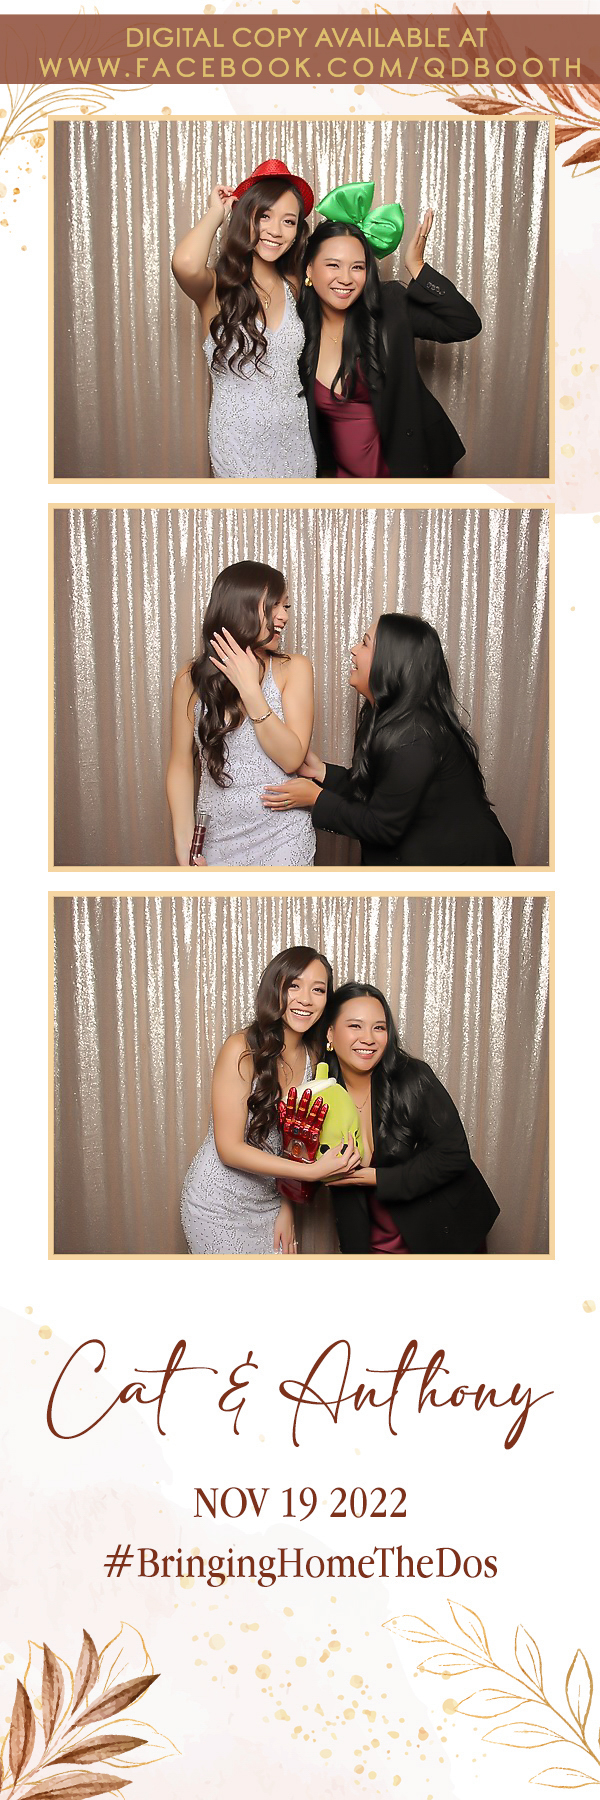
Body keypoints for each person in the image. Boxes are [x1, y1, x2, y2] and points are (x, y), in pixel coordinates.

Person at [263, 613, 514, 867]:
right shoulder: (385, 716)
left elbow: (381, 825)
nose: (353, 650)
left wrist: (317, 798)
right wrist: (322, 772)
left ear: (391, 662)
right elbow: (381, 793)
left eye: (365, 643)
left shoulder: (414, 735)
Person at [180, 948, 361, 1255]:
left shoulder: (314, 1057)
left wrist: (286, 1206)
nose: (306, 999)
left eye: (318, 990)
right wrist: (312, 1173)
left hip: (270, 1201)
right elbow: (229, 1149)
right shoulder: (241, 1048)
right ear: (275, 989)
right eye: (294, 985)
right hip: (216, 1204)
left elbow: (293, 1144)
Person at [296, 181, 481, 478]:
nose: (346, 278)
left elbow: (464, 324)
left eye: (357, 267)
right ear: (309, 269)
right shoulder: (296, 330)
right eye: (333, 265)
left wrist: (417, 266)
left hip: (408, 471)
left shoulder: (390, 304)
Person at [320, 983, 500, 1254]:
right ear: (330, 1033)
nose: (368, 1038)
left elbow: (453, 1154)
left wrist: (376, 1178)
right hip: (372, 1235)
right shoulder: (321, 1092)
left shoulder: (413, 1078)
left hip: (441, 1228)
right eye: (355, 1026)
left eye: (379, 1027)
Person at [171, 159, 317, 478]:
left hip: (295, 439)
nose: (275, 230)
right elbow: (184, 263)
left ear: (296, 233)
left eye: (289, 221)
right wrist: (217, 213)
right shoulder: (216, 288)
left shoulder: (295, 285)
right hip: (238, 443)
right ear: (245, 217)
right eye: (264, 216)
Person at [167, 560, 316, 869]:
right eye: (274, 605)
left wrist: (250, 689)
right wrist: (185, 845)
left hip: (284, 837)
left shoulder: (295, 668)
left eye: (286, 606)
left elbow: (292, 758)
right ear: (240, 607)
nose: (284, 616)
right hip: (217, 840)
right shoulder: (189, 679)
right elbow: (181, 764)